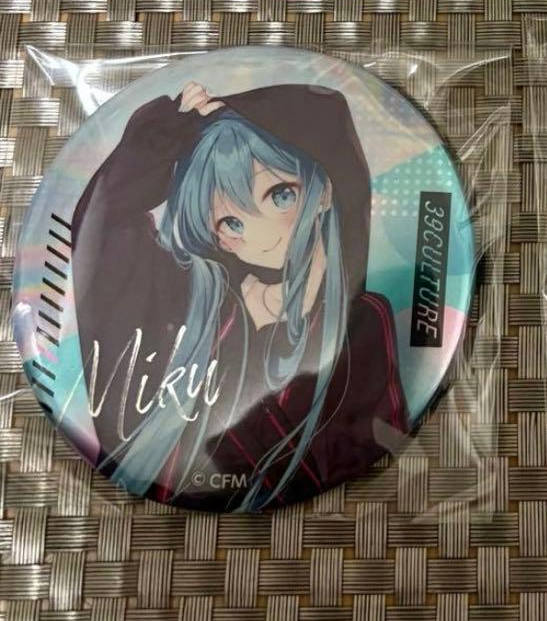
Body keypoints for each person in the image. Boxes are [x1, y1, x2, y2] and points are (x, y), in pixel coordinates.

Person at [71, 81, 407, 510]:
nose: (261, 236)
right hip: (162, 502)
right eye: (230, 222)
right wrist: (169, 131)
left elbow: (368, 446)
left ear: (324, 189)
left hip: (314, 514)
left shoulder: (361, 320)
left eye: (280, 195)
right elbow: (102, 227)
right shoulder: (193, 292)